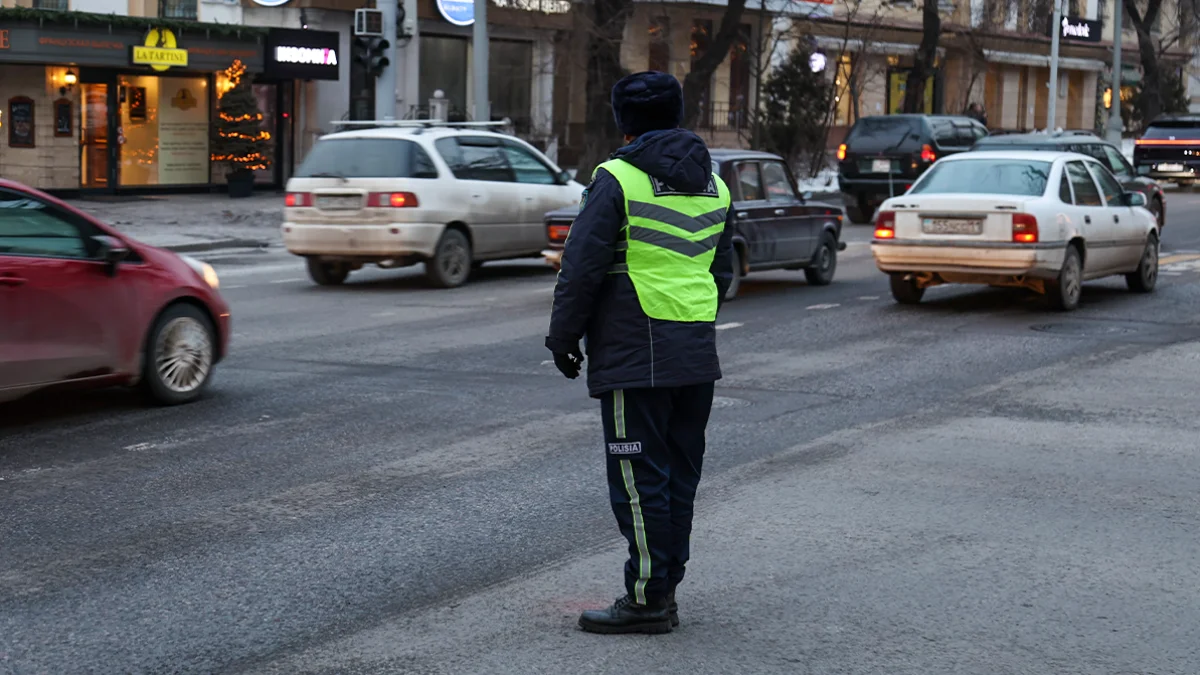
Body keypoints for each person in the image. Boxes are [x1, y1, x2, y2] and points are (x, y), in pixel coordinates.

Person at [544, 71, 735, 635]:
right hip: (694, 350)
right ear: (676, 113)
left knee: (638, 480)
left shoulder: (618, 179)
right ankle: (664, 587)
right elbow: (720, 273)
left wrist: (562, 337)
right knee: (677, 476)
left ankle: (648, 600)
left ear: (622, 120)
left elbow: (580, 267)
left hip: (635, 350)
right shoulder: (716, 185)